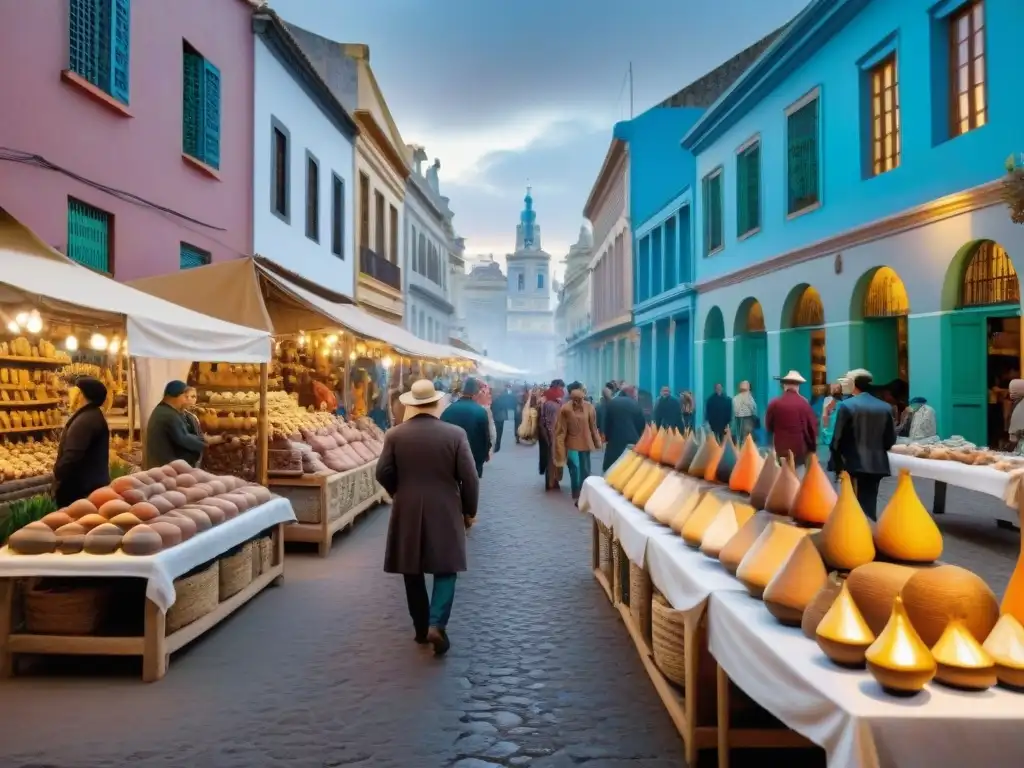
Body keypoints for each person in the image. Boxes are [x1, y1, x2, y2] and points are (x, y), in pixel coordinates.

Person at [377, 379, 479, 656]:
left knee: (412, 569)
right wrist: (469, 510)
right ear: (436, 404)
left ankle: (421, 628)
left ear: (411, 404)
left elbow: (382, 472)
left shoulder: (395, 435)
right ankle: (437, 623)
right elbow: (469, 478)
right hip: (445, 505)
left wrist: (399, 490)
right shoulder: (455, 435)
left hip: (407, 506)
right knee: (447, 568)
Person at [830, 370, 896, 520]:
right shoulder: (885, 407)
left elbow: (837, 439)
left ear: (854, 386)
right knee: (870, 498)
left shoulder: (847, 406)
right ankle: (869, 526)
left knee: (854, 501)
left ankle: (859, 533)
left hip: (854, 462)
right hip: (877, 463)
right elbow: (890, 439)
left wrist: (837, 463)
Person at [52, 377, 110, 507]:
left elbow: (72, 455)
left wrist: (58, 473)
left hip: (81, 491)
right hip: (89, 487)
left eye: (76, 391)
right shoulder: (91, 415)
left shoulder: (85, 421)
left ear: (81, 395)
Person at [145, 380, 218, 469]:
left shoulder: (169, 411)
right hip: (165, 469)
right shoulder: (168, 415)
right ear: (176, 396)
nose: (187, 400)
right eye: (185, 396)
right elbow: (184, 439)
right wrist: (207, 444)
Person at [554, 381, 602, 504]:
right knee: (574, 467)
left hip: (585, 443)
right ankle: (576, 491)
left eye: (580, 398)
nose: (577, 401)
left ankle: (584, 491)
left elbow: (593, 427)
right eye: (575, 399)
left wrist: (597, 442)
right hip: (571, 444)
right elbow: (560, 430)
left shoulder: (589, 408)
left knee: (585, 468)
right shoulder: (565, 409)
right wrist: (559, 448)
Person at [440, 377, 492, 477]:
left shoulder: (448, 409)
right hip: (472, 458)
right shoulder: (480, 411)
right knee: (471, 487)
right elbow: (485, 436)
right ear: (476, 394)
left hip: (451, 457)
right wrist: (486, 453)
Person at [764, 371, 818, 467]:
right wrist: (812, 447)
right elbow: (811, 429)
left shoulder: (774, 403)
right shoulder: (804, 404)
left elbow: (769, 426)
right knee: (798, 476)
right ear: (798, 386)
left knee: (783, 476)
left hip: (781, 448)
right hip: (800, 448)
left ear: (784, 385)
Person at [601, 384, 645, 471]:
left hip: (615, 441)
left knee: (612, 467)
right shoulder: (636, 405)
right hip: (632, 442)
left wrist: (607, 437)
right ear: (631, 394)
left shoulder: (612, 403)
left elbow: (607, 423)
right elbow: (641, 425)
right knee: (629, 468)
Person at [538, 380, 566, 490]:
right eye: (561, 388)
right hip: (556, 433)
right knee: (556, 458)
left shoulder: (544, 398)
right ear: (558, 387)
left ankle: (550, 481)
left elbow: (541, 420)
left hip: (545, 432)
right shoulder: (558, 401)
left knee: (549, 457)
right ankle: (554, 481)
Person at [472, 382, 498, 460]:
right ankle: (489, 451)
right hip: (486, 409)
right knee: (491, 431)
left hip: (477, 410)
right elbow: (490, 402)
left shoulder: (476, 393)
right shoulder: (487, 392)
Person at [491, 385, 516, 452]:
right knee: (498, 431)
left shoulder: (495, 397)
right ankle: (497, 444)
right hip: (500, 415)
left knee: (498, 430)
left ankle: (497, 444)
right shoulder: (501, 396)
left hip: (498, 415)